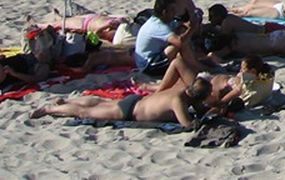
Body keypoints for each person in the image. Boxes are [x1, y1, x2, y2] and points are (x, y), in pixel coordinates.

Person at [32, 77, 212, 128]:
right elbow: (187, 124)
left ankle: (67, 101)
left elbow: (198, 106)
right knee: (87, 113)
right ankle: (49, 109)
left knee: (99, 102)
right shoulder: (178, 101)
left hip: (135, 102)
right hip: (129, 112)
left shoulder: (181, 90)